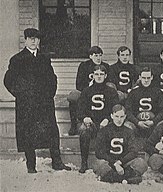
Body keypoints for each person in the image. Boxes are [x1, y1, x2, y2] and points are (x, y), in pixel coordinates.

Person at [3, 28, 71, 173]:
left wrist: (50, 94)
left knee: (52, 131)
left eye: (36, 39)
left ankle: (57, 162)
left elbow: (52, 78)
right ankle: (31, 165)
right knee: (28, 132)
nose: (34, 41)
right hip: (26, 104)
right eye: (31, 38)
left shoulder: (44, 58)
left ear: (39, 40)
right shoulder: (17, 59)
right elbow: (9, 81)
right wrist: (21, 95)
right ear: (25, 40)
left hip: (44, 102)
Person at [77, 65, 119, 173]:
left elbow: (116, 109)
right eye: (96, 74)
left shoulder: (111, 91)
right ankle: (84, 162)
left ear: (105, 76)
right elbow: (80, 109)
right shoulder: (86, 91)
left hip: (107, 123)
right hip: (93, 124)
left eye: (101, 74)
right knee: (83, 130)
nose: (99, 76)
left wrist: (108, 119)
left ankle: (111, 162)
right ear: (92, 76)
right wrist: (85, 117)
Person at [93, 104, 148, 184]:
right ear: (111, 116)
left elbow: (133, 152)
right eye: (116, 116)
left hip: (124, 163)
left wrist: (120, 162)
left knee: (141, 163)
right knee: (98, 164)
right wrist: (114, 163)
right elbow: (99, 152)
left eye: (121, 116)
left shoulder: (129, 131)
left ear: (125, 116)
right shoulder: (104, 131)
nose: (119, 119)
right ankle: (126, 179)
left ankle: (112, 178)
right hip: (109, 163)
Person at [67, 46, 111, 136]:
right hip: (86, 92)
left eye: (100, 55)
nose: (98, 58)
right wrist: (89, 88)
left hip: (102, 93)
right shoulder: (84, 66)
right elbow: (78, 84)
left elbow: (111, 83)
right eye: (96, 56)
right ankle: (74, 125)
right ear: (90, 56)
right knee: (73, 96)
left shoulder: (106, 66)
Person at [125, 67, 163, 151]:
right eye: (144, 78)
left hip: (153, 123)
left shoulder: (158, 92)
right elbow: (128, 111)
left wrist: (154, 121)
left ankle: (159, 150)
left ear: (152, 77)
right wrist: (137, 122)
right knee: (127, 126)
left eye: (148, 78)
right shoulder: (133, 92)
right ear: (139, 77)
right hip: (137, 123)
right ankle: (131, 150)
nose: (146, 80)